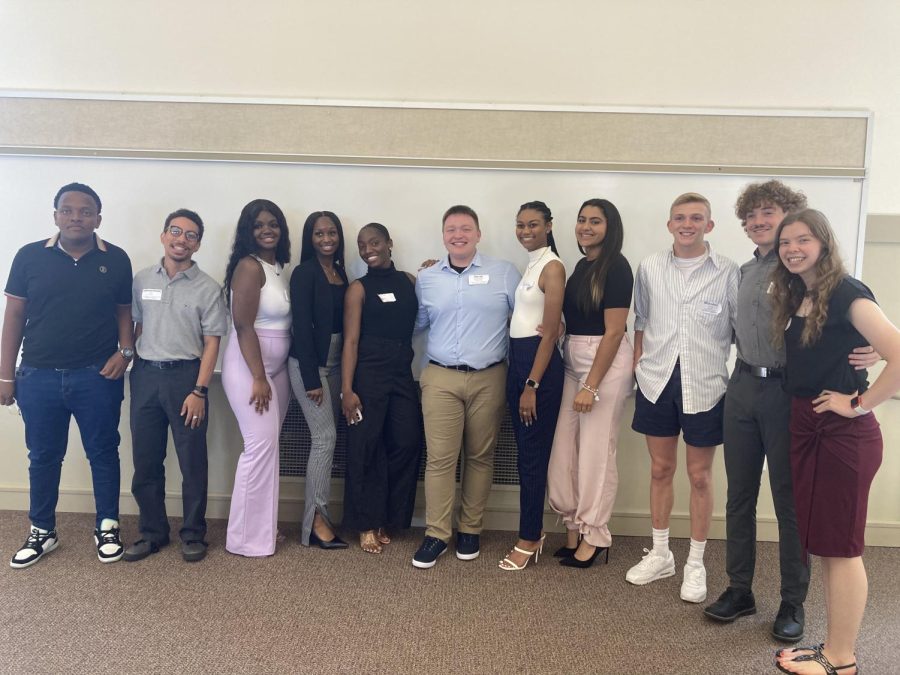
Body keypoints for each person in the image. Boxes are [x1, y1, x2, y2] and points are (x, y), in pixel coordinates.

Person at [704, 181, 879, 640]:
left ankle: (792, 601)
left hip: (788, 394)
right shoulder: (741, 272)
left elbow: (847, 320)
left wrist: (871, 350)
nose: (760, 223)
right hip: (742, 386)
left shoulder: (806, 277)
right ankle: (739, 589)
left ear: (794, 219)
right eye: (752, 216)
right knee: (738, 495)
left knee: (790, 503)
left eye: (770, 214)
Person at [771, 209, 900, 675]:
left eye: (803, 240)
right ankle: (831, 645)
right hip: (808, 427)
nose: (793, 249)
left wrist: (860, 403)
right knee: (826, 546)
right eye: (786, 242)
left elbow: (898, 350)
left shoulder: (847, 291)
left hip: (843, 435)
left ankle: (841, 660)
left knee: (842, 549)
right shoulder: (802, 294)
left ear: (824, 243)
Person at [2, 182, 133, 568]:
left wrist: (125, 353)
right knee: (43, 456)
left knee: (104, 453)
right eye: (68, 210)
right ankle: (42, 531)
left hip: (97, 376)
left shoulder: (117, 259)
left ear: (98, 218)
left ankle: (108, 526)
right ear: (56, 214)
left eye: (85, 211)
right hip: (38, 376)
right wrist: (5, 376)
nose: (77, 217)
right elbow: (13, 316)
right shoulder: (29, 257)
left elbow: (125, 313)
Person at [626, 192, 739, 603]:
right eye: (679, 217)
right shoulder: (650, 268)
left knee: (700, 476)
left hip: (706, 385)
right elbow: (640, 321)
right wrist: (639, 364)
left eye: (696, 218)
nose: (687, 224)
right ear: (669, 224)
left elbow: (741, 329)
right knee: (660, 469)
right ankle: (660, 554)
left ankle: (694, 561)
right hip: (657, 382)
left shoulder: (727, 272)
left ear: (709, 225)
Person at [412, 204, 520, 569]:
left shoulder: (504, 273)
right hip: (440, 377)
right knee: (440, 459)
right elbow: (416, 325)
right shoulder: (427, 279)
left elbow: (524, 318)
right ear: (443, 236)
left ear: (478, 234)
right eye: (451, 229)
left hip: (490, 377)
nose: (458, 235)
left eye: (465, 228)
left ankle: (470, 529)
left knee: (479, 456)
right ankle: (436, 534)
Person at [123, 209, 227, 563]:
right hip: (145, 376)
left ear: (198, 244)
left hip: (187, 379)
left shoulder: (209, 288)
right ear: (164, 235)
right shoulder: (140, 280)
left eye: (191, 235)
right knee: (146, 460)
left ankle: (194, 533)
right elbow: (134, 328)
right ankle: (152, 532)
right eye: (175, 231)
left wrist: (200, 391)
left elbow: (212, 342)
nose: (181, 239)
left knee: (192, 461)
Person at [547, 198, 634, 569]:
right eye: (582, 220)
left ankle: (595, 535)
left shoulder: (617, 267)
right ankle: (573, 525)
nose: (586, 226)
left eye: (595, 221)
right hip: (573, 358)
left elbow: (614, 332)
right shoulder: (581, 265)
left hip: (606, 362)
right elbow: (578, 314)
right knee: (565, 451)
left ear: (609, 227)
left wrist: (592, 386)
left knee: (597, 452)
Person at [340, 223, 422, 554]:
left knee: (407, 441)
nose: (367, 249)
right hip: (368, 374)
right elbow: (351, 340)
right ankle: (365, 523)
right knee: (366, 447)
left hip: (402, 372)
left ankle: (388, 515)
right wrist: (347, 389)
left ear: (389, 243)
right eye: (361, 245)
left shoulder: (411, 282)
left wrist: (433, 268)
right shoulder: (358, 289)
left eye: (374, 242)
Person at [222, 199, 292, 557]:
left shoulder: (279, 266)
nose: (267, 230)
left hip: (276, 370)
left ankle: (261, 529)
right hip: (250, 367)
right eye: (259, 225)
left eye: (273, 224)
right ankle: (243, 539)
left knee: (268, 451)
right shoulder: (249, 267)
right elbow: (243, 324)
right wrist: (259, 377)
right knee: (259, 449)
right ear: (248, 231)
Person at [498, 201, 566, 571]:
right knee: (525, 454)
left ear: (549, 225)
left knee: (532, 457)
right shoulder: (532, 264)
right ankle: (530, 531)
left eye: (534, 224)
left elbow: (551, 332)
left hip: (536, 370)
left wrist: (531, 384)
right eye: (520, 224)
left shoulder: (553, 267)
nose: (526, 230)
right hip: (519, 360)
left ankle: (530, 536)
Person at [288, 211, 349, 549]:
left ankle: (320, 518)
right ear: (309, 239)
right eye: (318, 234)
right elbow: (301, 325)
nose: (326, 239)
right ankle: (316, 522)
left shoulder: (339, 271)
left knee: (330, 439)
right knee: (324, 438)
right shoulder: (305, 273)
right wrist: (311, 378)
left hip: (338, 365)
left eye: (332, 233)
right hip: (310, 367)